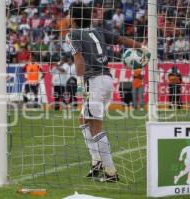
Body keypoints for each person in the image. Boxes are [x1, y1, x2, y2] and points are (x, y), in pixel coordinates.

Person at [66, 2, 147, 182]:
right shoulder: (97, 30)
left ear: (74, 17)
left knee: (95, 127)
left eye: (70, 15)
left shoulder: (72, 34)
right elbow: (120, 39)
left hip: (93, 81)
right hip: (107, 79)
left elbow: (79, 60)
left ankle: (110, 172)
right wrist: (141, 47)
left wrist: (80, 83)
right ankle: (96, 162)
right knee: (83, 119)